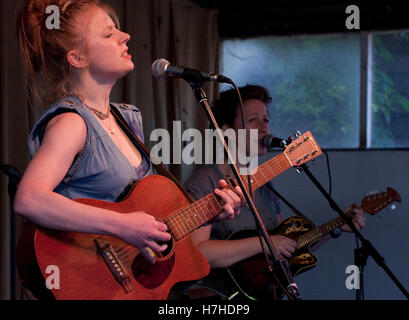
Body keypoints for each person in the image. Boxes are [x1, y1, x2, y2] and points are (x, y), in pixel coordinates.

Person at [13, 0, 245, 299]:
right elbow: (29, 198)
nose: (126, 37)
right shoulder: (72, 122)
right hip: (87, 281)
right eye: (109, 34)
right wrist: (123, 225)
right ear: (78, 57)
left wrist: (210, 212)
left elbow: (145, 217)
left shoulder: (125, 119)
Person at [185, 85, 366, 299]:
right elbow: (198, 252)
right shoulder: (205, 181)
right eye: (253, 120)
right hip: (218, 298)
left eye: (266, 120)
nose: (264, 128)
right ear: (228, 132)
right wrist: (265, 244)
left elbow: (285, 245)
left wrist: (334, 227)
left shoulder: (266, 187)